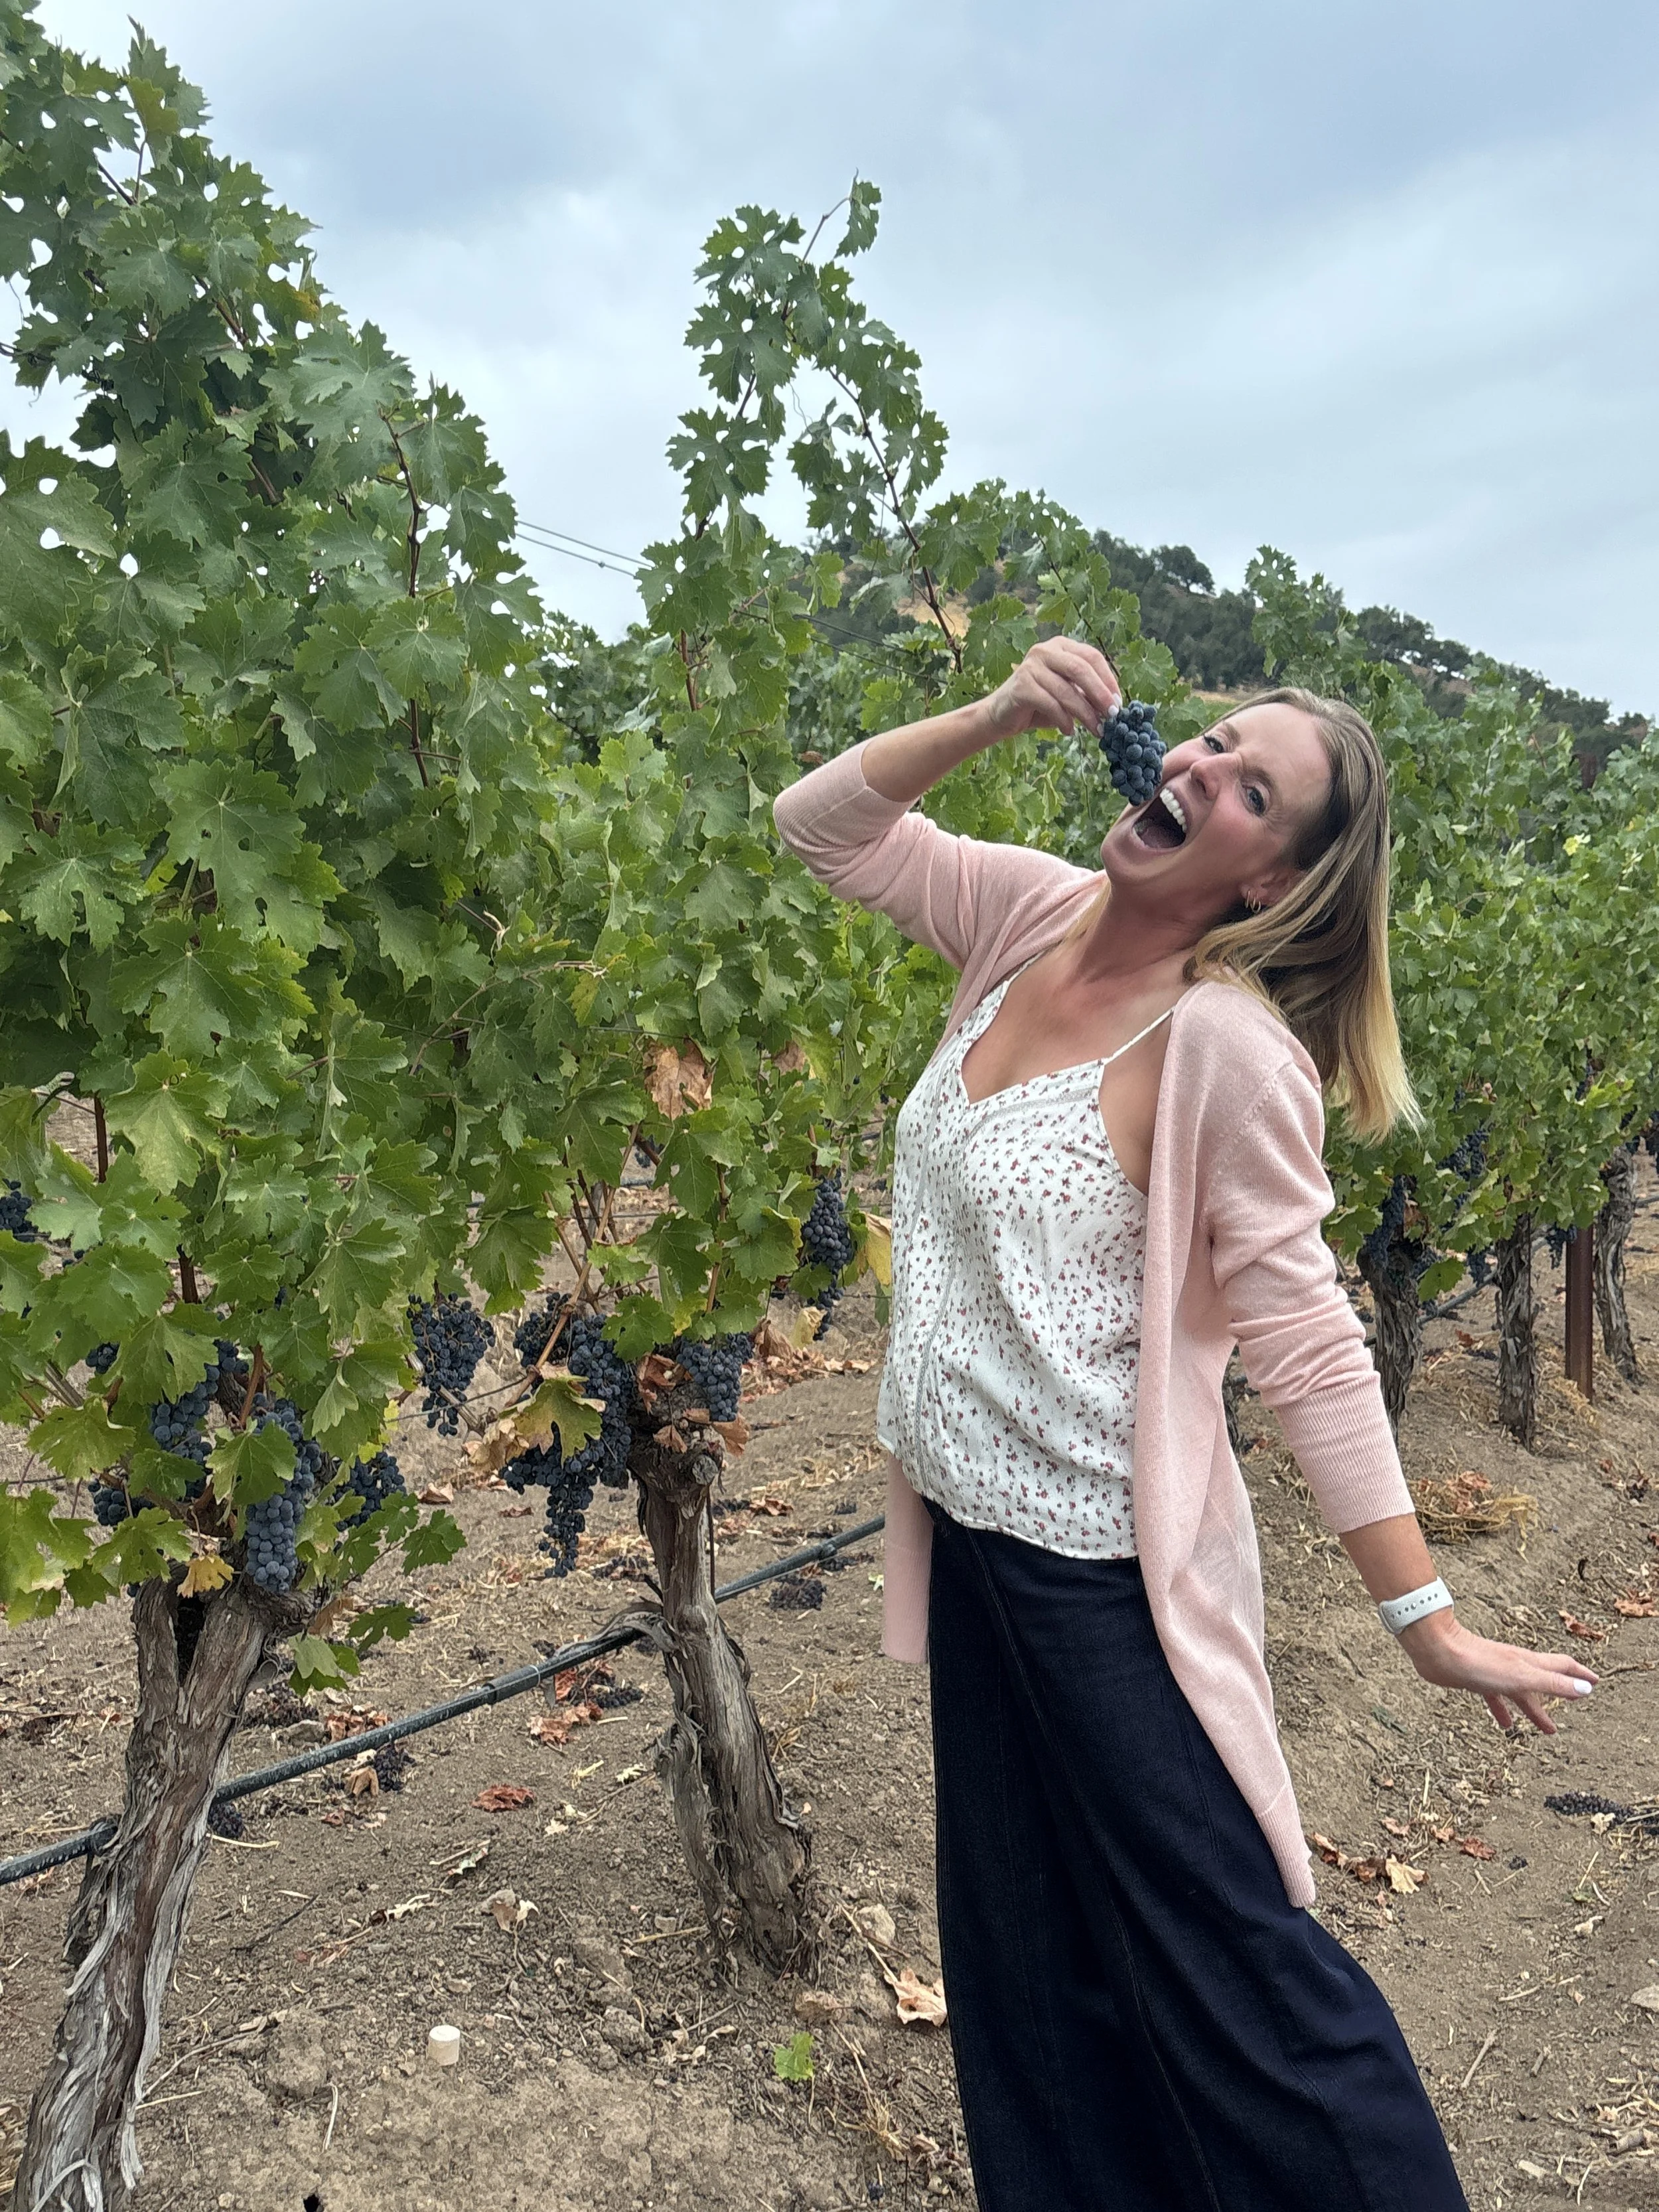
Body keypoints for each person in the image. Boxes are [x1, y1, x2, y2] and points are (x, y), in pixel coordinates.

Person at [771, 638, 1597, 2212]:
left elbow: (1302, 1337)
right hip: (966, 1542)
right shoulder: (1027, 917)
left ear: (1272, 878)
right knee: (1023, 1960)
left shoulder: (1221, 1047)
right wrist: (1000, 710)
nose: (1200, 769)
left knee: (1233, 1963)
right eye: (1209, 741)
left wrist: (1421, 1615)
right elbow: (820, 827)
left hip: (1097, 1576)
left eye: (1251, 787)